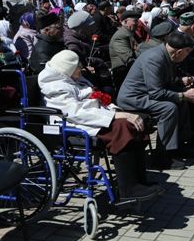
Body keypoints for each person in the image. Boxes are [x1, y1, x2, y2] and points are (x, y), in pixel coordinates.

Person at [38, 50, 161, 203]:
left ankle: (139, 181)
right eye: (78, 67)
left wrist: (116, 111)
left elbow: (96, 100)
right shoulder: (55, 87)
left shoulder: (74, 79)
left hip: (92, 117)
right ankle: (128, 190)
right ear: (67, 69)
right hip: (73, 125)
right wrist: (115, 116)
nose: (81, 69)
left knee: (133, 125)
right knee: (122, 128)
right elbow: (76, 112)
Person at [116, 30, 194, 170]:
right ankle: (161, 157)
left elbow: (166, 82)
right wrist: (184, 95)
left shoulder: (166, 55)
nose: (188, 55)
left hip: (146, 94)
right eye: (187, 52)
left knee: (181, 102)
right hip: (133, 98)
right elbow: (156, 93)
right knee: (168, 108)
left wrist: (186, 93)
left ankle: (177, 146)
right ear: (178, 51)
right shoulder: (155, 59)